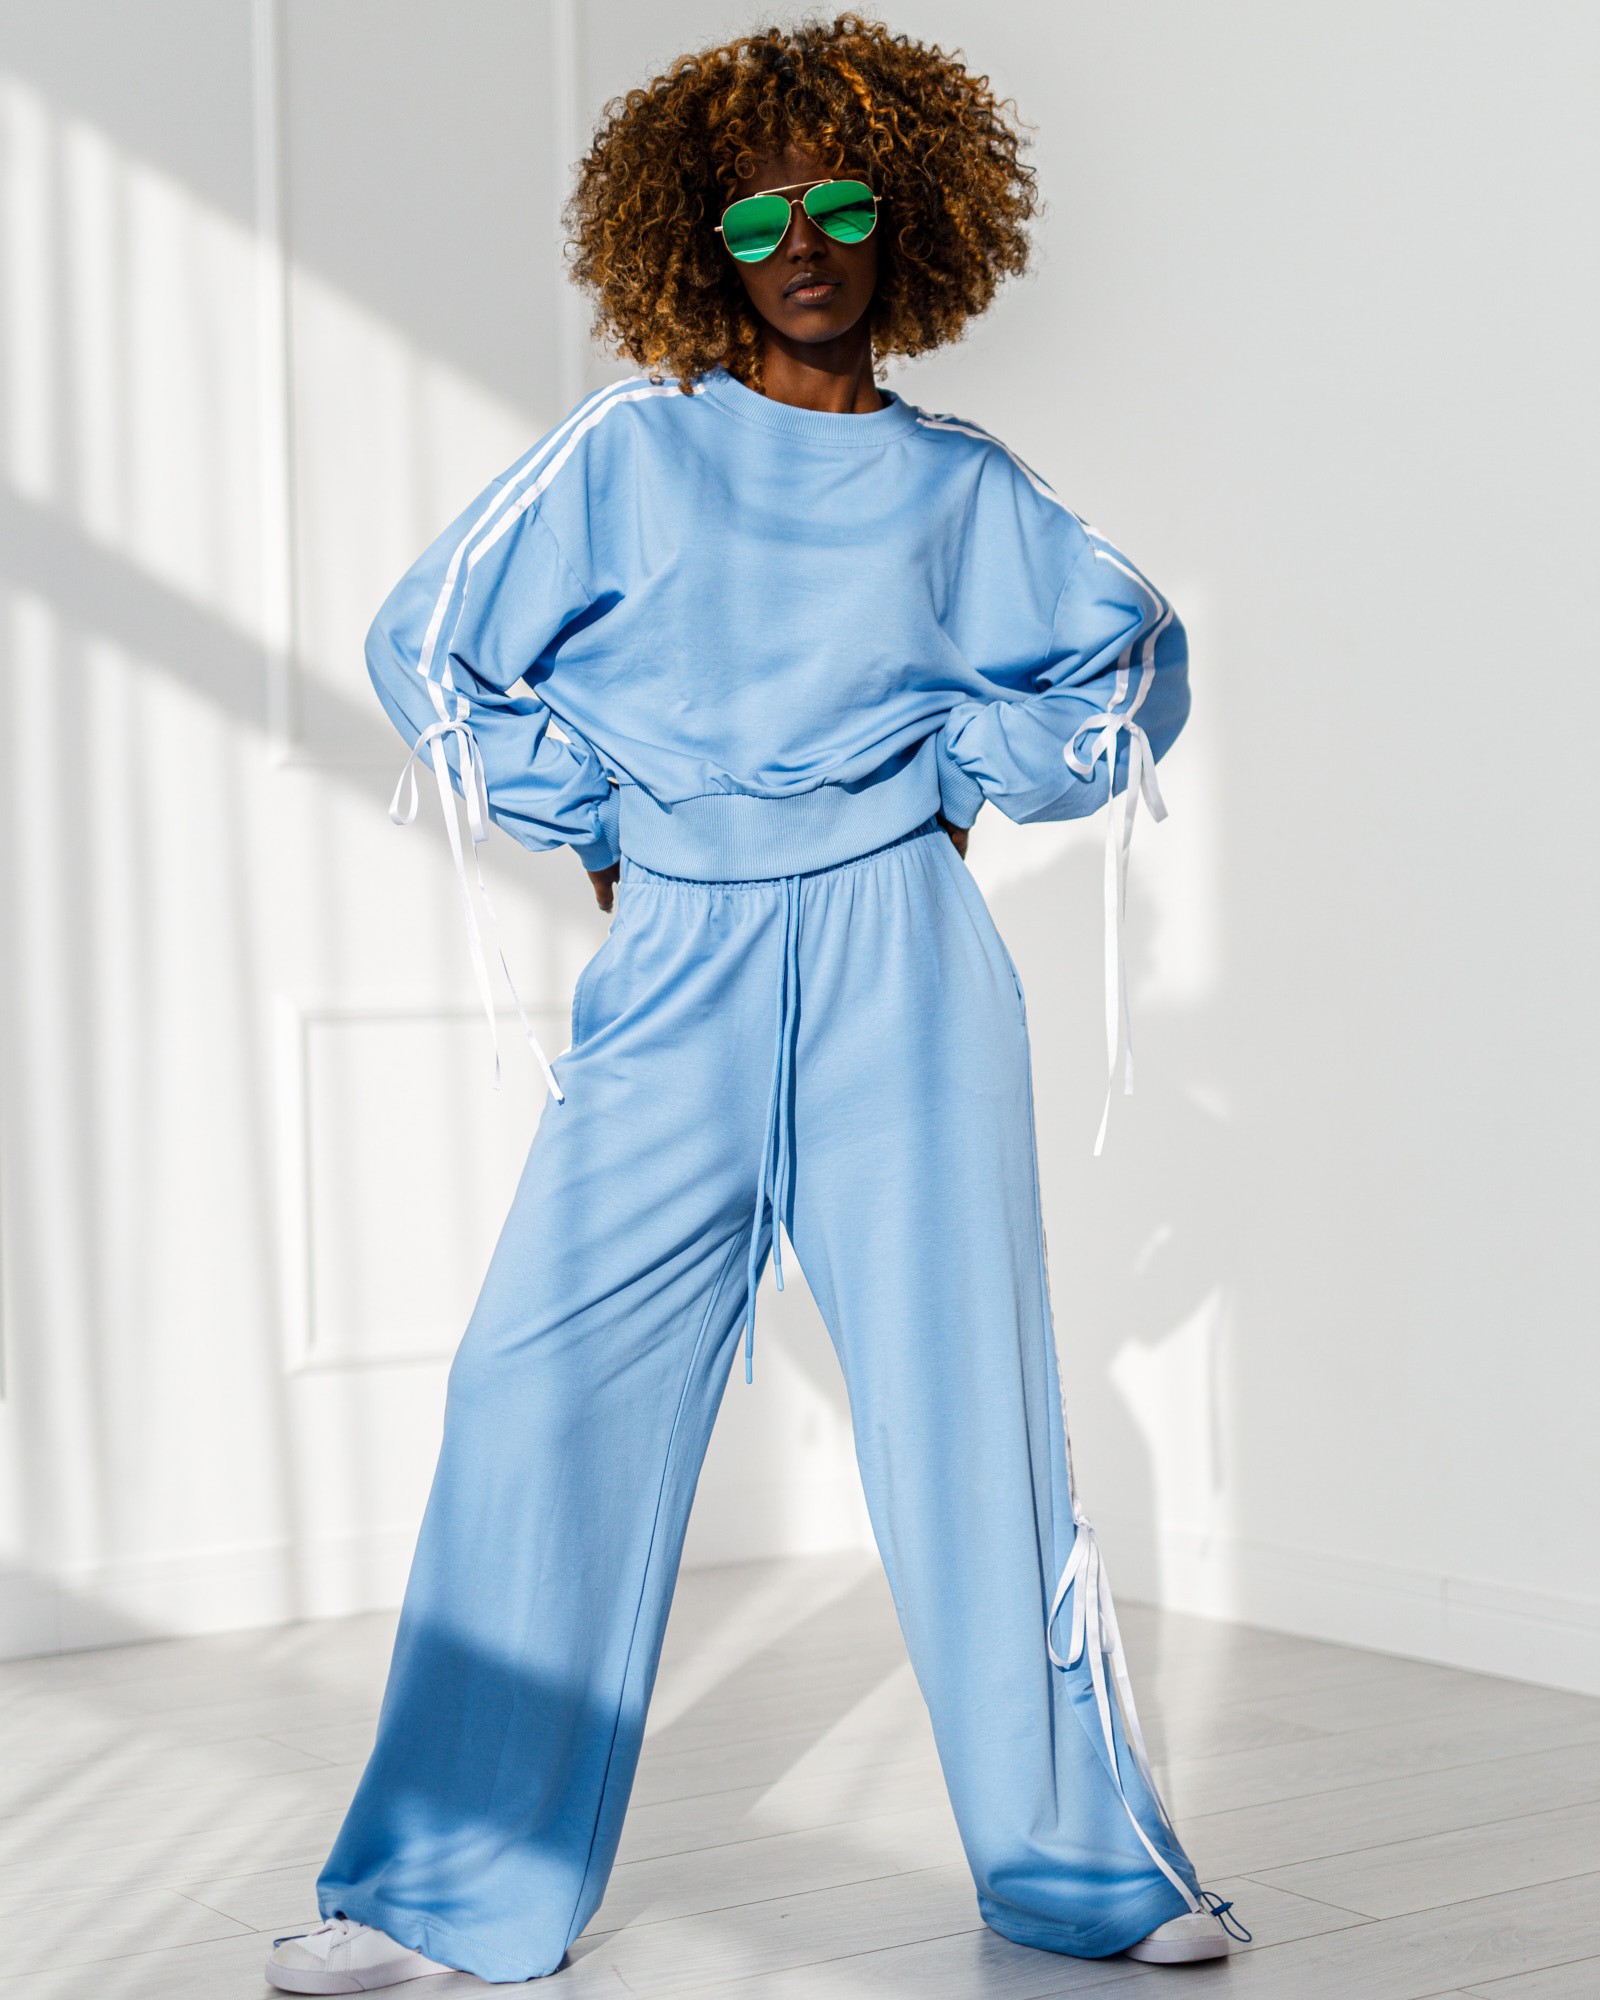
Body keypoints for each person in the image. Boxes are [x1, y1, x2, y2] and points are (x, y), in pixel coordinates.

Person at [266, 15, 1248, 1990]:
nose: (803, 245)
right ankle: (443, 1894)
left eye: (842, 205)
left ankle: (1080, 1873)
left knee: (972, 1420)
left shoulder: (961, 489)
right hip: (683, 963)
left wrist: (960, 764)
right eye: (756, 214)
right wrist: (596, 813)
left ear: (908, 224)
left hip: (904, 962)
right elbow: (427, 645)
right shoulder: (626, 451)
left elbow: (1128, 660)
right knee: (537, 1395)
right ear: (697, 239)